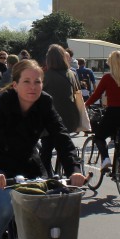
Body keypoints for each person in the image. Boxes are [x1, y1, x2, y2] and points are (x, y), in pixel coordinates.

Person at [0, 59, 87, 239]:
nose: (33, 86)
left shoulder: (45, 102)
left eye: (37, 81)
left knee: (47, 207)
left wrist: (74, 169)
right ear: (15, 84)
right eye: (26, 81)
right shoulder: (2, 102)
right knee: (6, 205)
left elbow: (61, 136)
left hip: (28, 167)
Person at [84, 50, 120, 172]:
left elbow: (97, 95)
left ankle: (105, 159)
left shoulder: (108, 77)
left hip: (113, 113)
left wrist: (85, 104)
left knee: (99, 136)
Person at [40, 44, 81, 173]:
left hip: (51, 119)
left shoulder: (45, 76)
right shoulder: (71, 74)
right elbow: (76, 91)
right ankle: (72, 174)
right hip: (70, 118)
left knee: (45, 151)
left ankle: (47, 177)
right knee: (65, 149)